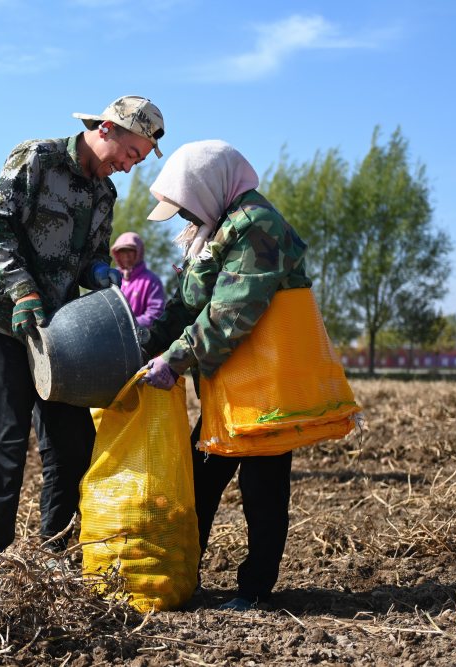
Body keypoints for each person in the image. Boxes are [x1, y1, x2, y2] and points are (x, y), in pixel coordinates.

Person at [0, 95, 166, 579]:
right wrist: (21, 289)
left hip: (58, 331)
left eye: (137, 161)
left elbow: (90, 256)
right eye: (130, 154)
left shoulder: (104, 195)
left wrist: (101, 273)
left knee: (72, 444)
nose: (128, 167)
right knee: (4, 438)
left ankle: (54, 555)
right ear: (108, 129)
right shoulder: (39, 158)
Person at [139, 140, 311, 611]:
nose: (181, 218)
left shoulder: (258, 227)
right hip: (229, 392)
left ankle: (255, 591)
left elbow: (230, 311)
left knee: (262, 492)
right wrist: (143, 342)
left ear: (209, 186)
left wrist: (174, 361)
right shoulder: (213, 231)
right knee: (198, 483)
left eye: (185, 205)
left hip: (266, 390)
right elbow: (185, 307)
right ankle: (179, 576)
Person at [110, 231, 166, 327]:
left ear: (139, 252)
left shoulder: (151, 281)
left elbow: (155, 313)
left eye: (130, 251)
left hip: (139, 337)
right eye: (122, 251)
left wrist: (128, 325)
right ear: (117, 254)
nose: (126, 256)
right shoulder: (111, 278)